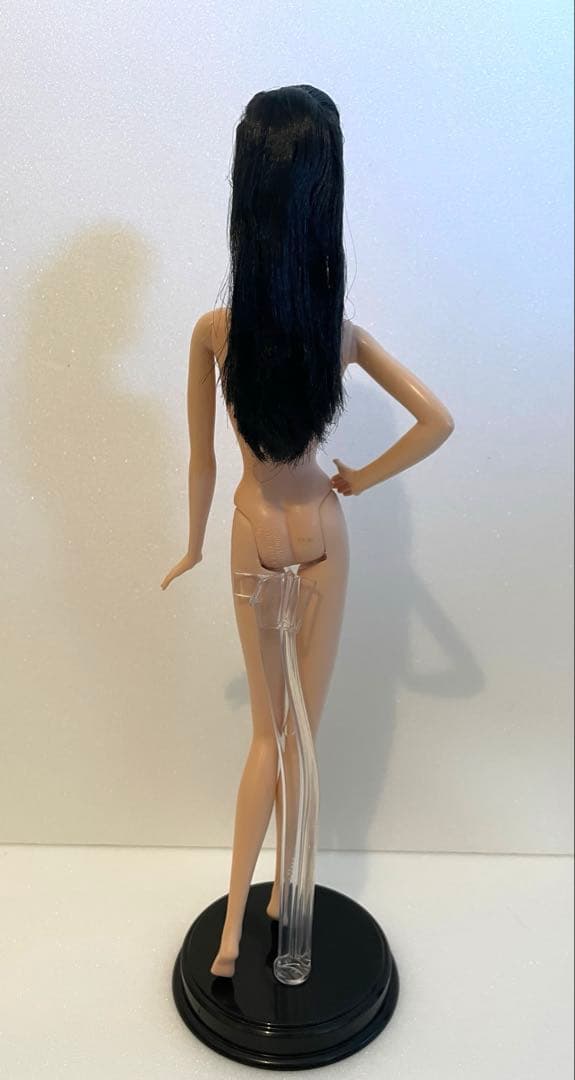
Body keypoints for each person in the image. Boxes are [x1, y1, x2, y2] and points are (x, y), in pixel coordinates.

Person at [161, 85, 454, 977]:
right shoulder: (339, 334)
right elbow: (436, 422)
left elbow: (202, 462)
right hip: (322, 532)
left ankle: (231, 935)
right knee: (301, 743)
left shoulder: (215, 331)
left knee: (265, 737)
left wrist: (194, 544)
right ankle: (286, 905)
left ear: (245, 192)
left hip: (253, 532)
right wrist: (359, 479)